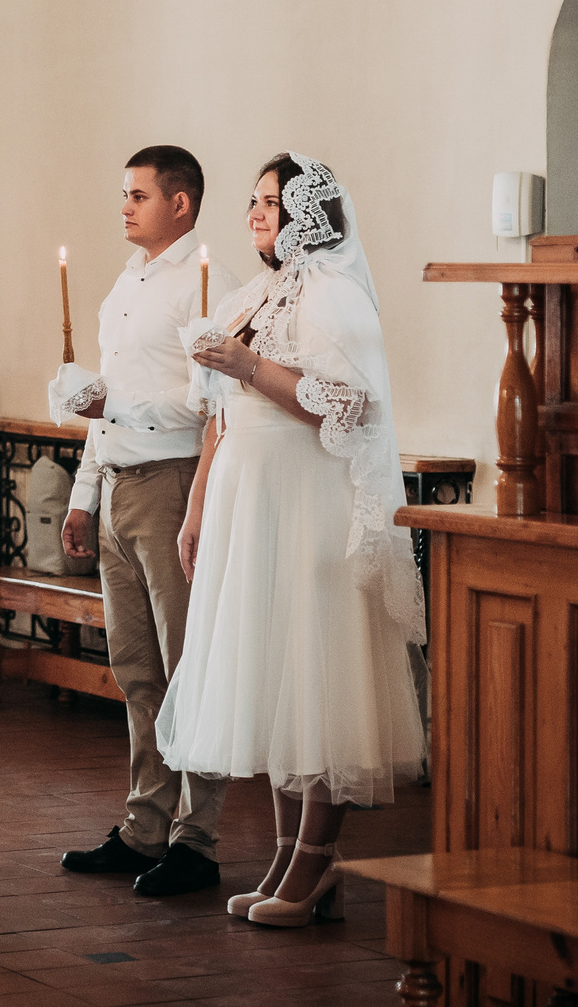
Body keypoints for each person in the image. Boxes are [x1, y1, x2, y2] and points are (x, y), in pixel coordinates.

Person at [160, 154, 427, 926]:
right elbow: (219, 415)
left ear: (311, 215)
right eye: (252, 200)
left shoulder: (336, 298)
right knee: (274, 676)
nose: (255, 213)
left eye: (272, 202)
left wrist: (247, 362)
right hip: (248, 501)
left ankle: (315, 862)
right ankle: (286, 856)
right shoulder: (252, 294)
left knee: (315, 673)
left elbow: (348, 404)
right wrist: (198, 504)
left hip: (308, 501)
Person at [48, 146, 231, 898]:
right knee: (136, 668)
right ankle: (144, 825)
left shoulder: (205, 287)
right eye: (122, 194)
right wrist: (83, 495)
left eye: (138, 194)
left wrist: (109, 406)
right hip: (120, 481)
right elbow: (106, 396)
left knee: (189, 664)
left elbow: (206, 405)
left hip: (174, 483)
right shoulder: (127, 283)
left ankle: (199, 836)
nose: (123, 206)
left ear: (179, 203)